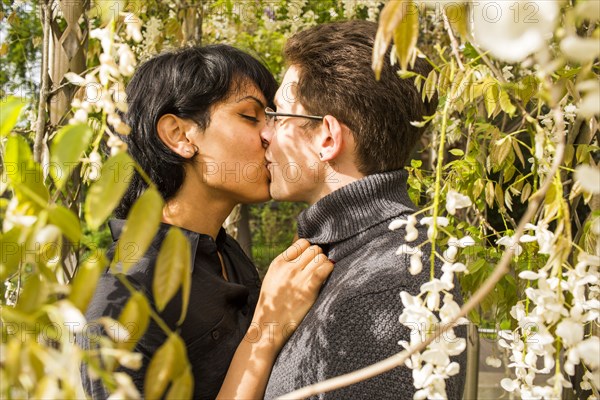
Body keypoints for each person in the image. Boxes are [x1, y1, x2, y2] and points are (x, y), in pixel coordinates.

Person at [78, 45, 333, 400]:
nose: (269, 135)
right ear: (180, 136)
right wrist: (267, 328)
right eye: (250, 116)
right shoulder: (121, 293)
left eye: (271, 119)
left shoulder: (226, 257)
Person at [261, 20, 466, 398]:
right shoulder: (357, 254)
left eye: (277, 115)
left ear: (326, 137)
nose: (264, 133)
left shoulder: (388, 283)